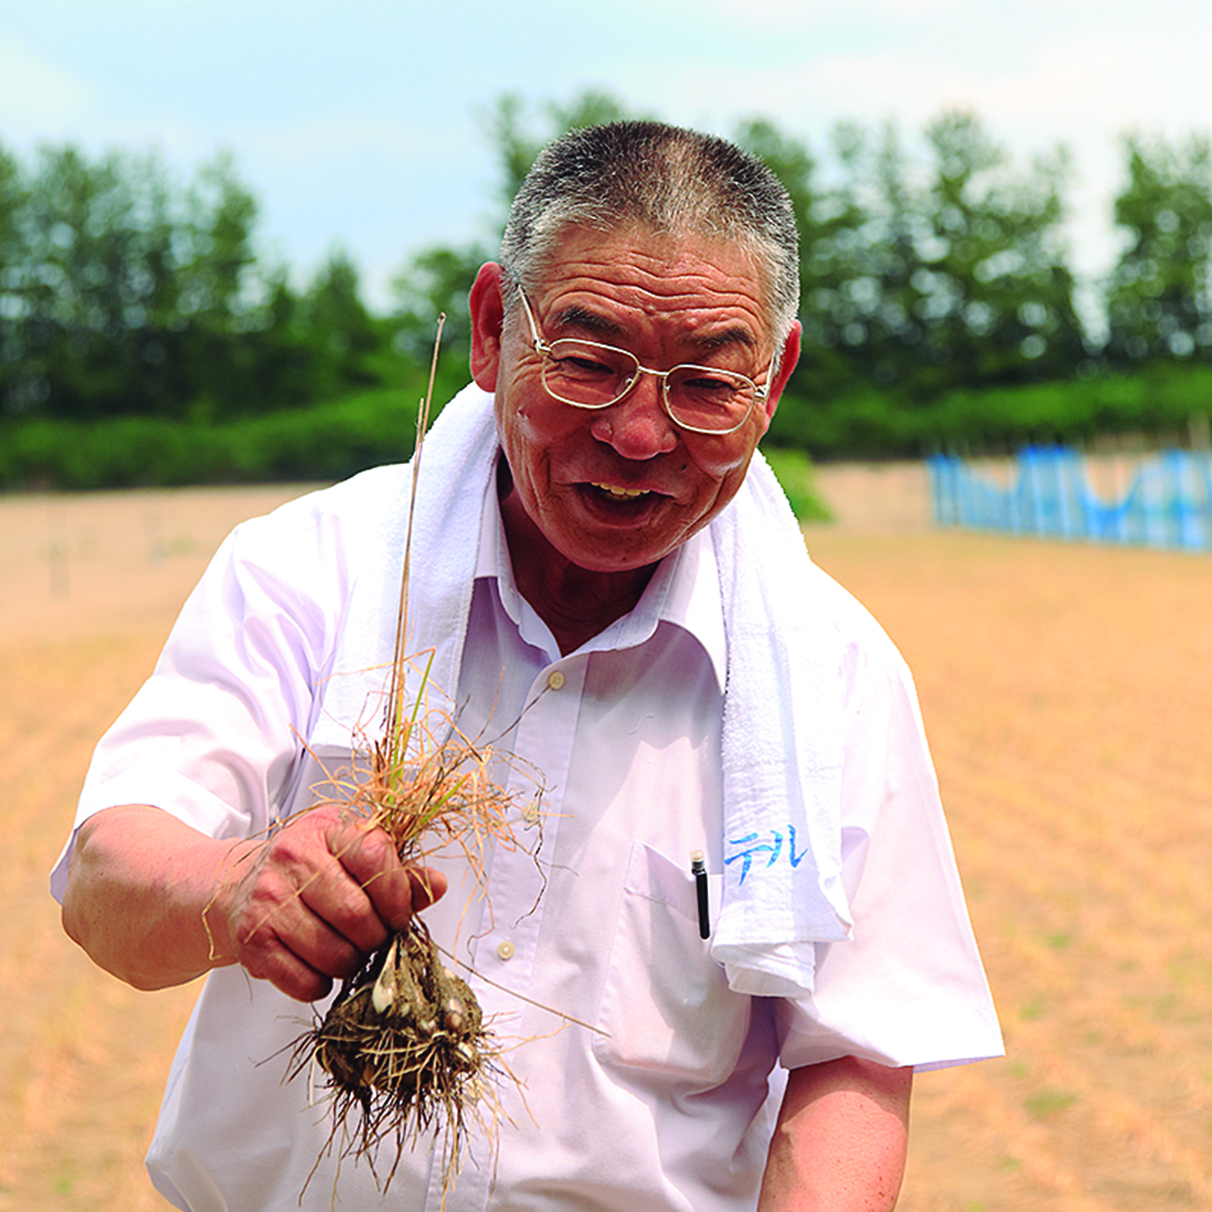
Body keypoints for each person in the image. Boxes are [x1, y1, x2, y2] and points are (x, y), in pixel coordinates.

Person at [54, 120, 1002, 1211]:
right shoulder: (311, 573)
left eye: (705, 384)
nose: (641, 434)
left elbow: (858, 1051)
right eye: (593, 363)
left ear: (775, 380)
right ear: (495, 330)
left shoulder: (831, 674)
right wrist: (235, 883)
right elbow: (104, 880)